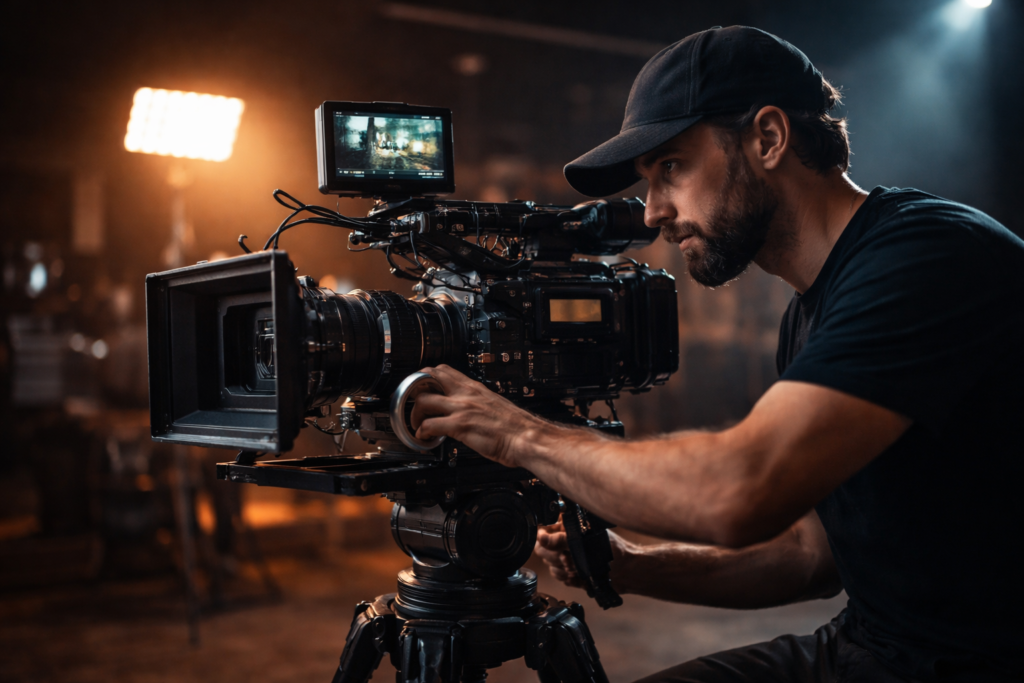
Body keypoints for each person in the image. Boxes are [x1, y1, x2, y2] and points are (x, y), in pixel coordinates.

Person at [410, 26, 1024, 683]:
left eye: (671, 167)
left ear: (767, 138)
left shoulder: (927, 259)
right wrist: (637, 565)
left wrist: (518, 433)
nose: (651, 213)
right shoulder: (812, 310)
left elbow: (741, 489)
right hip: (875, 648)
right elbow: (813, 552)